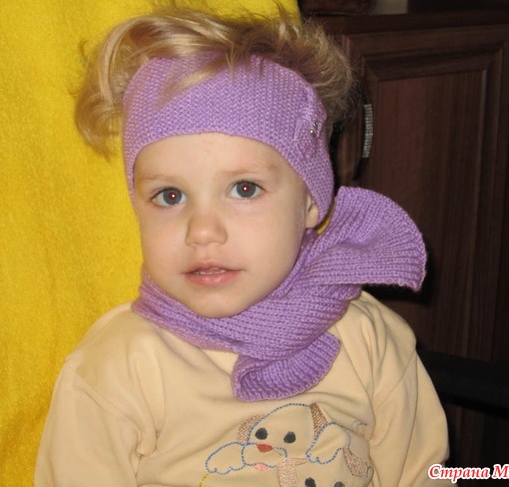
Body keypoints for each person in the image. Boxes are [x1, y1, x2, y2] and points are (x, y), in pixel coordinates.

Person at [35, 4, 451, 486]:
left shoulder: (369, 338)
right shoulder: (117, 368)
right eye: (170, 196)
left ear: (310, 202)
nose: (202, 231)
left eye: (244, 189)